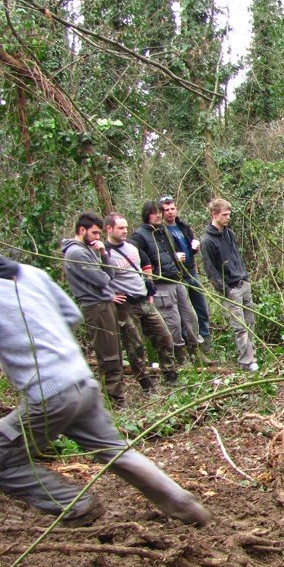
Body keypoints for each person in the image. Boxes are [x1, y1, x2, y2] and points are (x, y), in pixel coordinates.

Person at [0, 255, 210, 526]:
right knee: (117, 451)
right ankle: (187, 506)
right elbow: (72, 315)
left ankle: (73, 505)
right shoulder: (32, 273)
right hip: (81, 380)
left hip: (48, 394)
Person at [104, 212, 178, 393]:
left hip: (144, 299)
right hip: (126, 305)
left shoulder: (132, 245)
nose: (125, 231)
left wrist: (149, 284)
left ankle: (170, 375)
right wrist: (110, 295)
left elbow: (146, 263)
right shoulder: (104, 253)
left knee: (165, 336)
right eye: (121, 228)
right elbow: (97, 278)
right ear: (109, 229)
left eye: (126, 227)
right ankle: (146, 385)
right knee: (135, 346)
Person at [61, 212, 125, 404]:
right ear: (82, 230)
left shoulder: (88, 249)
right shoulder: (77, 253)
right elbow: (103, 279)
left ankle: (116, 395)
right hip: (95, 307)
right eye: (95, 233)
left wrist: (104, 254)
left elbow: (110, 274)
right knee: (108, 353)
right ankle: (114, 399)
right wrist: (104, 268)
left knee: (114, 350)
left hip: (103, 304)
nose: (98, 238)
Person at [131, 201, 204, 365]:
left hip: (176, 278)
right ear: (146, 215)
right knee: (173, 322)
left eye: (159, 212)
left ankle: (196, 353)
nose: (158, 215)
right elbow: (139, 259)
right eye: (154, 212)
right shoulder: (140, 236)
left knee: (190, 317)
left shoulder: (163, 231)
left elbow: (170, 252)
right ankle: (180, 357)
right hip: (161, 284)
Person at [201, 198, 258, 372]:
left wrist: (245, 277)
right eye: (224, 215)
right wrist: (225, 289)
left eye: (229, 215)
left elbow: (236, 257)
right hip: (230, 289)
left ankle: (252, 355)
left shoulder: (229, 233)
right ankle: (246, 361)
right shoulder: (207, 241)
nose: (228, 218)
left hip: (242, 282)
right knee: (239, 327)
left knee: (250, 321)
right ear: (214, 214)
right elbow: (210, 270)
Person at [159, 195, 214, 357]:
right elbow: (160, 255)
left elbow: (190, 245)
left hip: (191, 271)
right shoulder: (161, 232)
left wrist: (194, 247)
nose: (170, 212)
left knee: (201, 307)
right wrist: (173, 257)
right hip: (177, 275)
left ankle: (205, 342)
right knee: (186, 313)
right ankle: (190, 345)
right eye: (166, 210)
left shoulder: (183, 227)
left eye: (172, 208)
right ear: (161, 213)